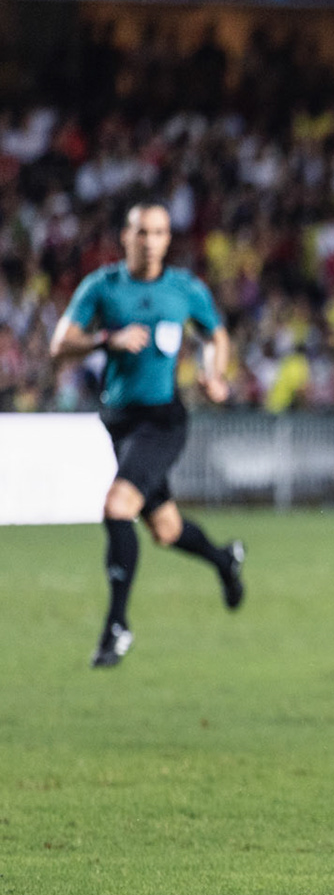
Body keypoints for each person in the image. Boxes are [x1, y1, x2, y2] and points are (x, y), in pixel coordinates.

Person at [49, 202, 245, 668]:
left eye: (159, 232)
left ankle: (117, 625)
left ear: (168, 239)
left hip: (163, 421)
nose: (150, 241)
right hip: (119, 421)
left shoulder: (184, 289)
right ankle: (224, 560)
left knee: (118, 506)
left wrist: (214, 375)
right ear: (126, 236)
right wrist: (105, 340)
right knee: (165, 529)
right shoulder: (102, 287)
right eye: (142, 232)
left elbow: (216, 335)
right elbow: (60, 345)